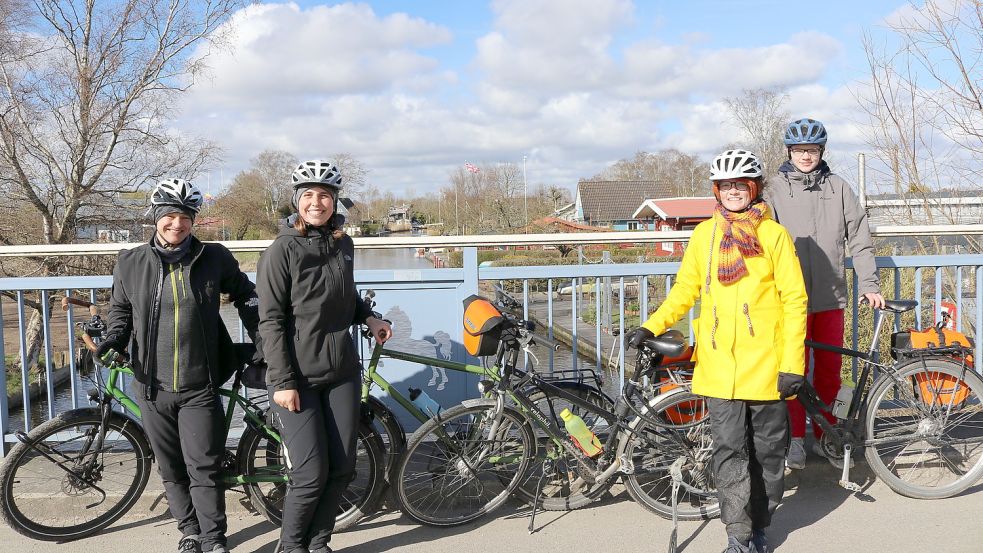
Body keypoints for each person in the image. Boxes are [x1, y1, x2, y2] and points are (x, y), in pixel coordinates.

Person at [632, 149, 807, 553]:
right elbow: (684, 290)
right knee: (728, 452)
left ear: (753, 188)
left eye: (739, 184)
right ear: (717, 189)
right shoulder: (705, 235)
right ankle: (738, 536)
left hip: (767, 366)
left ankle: (761, 523)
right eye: (725, 185)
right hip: (719, 367)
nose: (732, 192)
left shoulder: (773, 236)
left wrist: (792, 364)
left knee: (767, 454)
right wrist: (651, 324)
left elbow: (795, 301)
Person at [98, 178, 261, 553]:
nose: (177, 224)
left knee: (204, 466)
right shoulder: (131, 262)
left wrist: (264, 342)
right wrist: (112, 340)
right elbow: (121, 312)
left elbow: (246, 296)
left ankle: (214, 538)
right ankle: (189, 531)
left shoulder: (214, 257)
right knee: (171, 467)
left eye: (185, 217)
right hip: (152, 386)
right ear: (156, 218)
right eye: (170, 216)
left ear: (193, 221)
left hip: (199, 384)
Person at [257, 160, 391, 553]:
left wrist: (369, 318)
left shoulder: (342, 244)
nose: (317, 203)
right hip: (297, 377)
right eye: (309, 196)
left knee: (343, 468)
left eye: (325, 196)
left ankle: (318, 543)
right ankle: (291, 546)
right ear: (298, 202)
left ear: (335, 201)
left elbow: (344, 298)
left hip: (341, 372)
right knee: (310, 473)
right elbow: (270, 320)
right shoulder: (281, 251)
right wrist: (282, 382)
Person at [766, 118, 885, 470]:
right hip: (788, 300)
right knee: (792, 372)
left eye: (813, 150)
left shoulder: (839, 187)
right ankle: (795, 441)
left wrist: (870, 284)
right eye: (800, 150)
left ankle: (827, 436)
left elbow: (859, 240)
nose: (806, 156)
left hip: (831, 297)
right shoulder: (773, 189)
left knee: (830, 372)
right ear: (789, 151)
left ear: (822, 152)